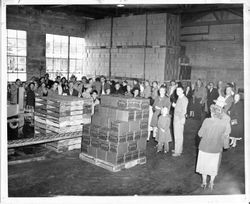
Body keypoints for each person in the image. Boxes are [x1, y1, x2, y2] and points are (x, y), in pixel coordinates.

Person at [196, 103, 231, 190]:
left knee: (204, 166)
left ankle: (204, 182)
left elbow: (200, 134)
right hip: (216, 149)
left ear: (211, 113)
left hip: (204, 148)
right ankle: (211, 183)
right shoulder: (224, 123)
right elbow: (226, 134)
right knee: (213, 167)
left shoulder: (207, 121)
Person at [172, 86, 188, 157]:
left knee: (179, 135)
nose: (177, 92)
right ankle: (177, 148)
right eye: (176, 90)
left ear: (183, 91)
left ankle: (178, 151)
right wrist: (175, 106)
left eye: (179, 90)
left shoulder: (184, 99)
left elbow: (184, 111)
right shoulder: (180, 97)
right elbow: (180, 108)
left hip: (179, 119)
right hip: (176, 118)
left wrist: (181, 120)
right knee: (176, 135)